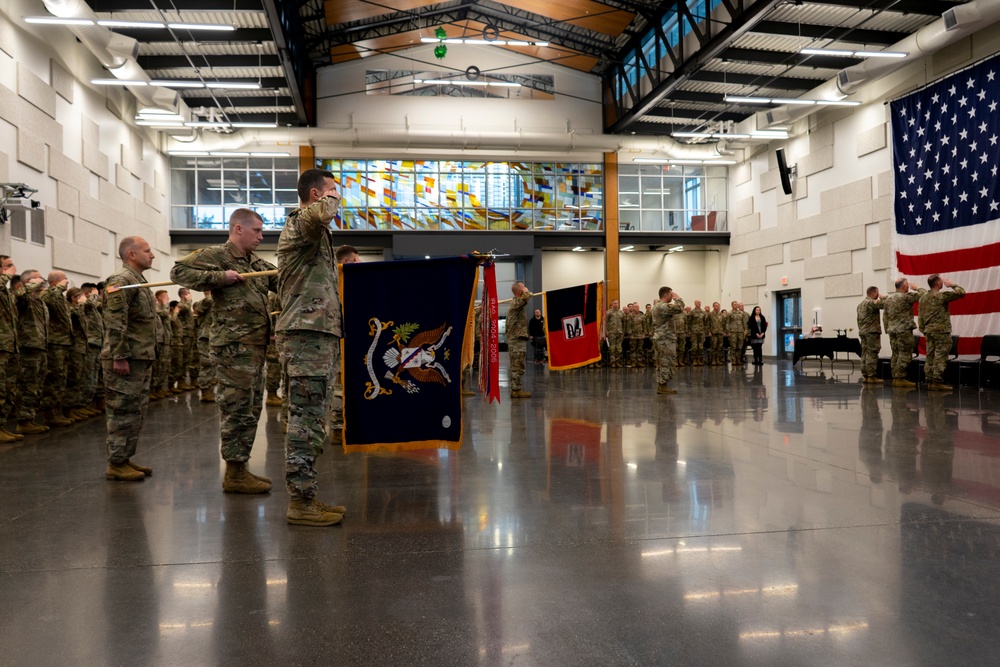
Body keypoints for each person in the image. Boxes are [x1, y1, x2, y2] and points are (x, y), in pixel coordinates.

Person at [172, 208, 279, 494]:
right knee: (236, 409)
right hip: (233, 347)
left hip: (255, 346)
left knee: (252, 408)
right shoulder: (217, 254)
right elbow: (178, 271)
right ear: (238, 229)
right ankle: (233, 473)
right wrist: (220, 277)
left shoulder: (255, 262)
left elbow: (280, 279)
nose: (261, 235)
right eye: (257, 230)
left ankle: (240, 468)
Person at [276, 168, 349, 526]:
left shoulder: (316, 232)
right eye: (333, 190)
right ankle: (300, 502)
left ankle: (308, 495)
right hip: (305, 335)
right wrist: (331, 196)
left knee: (314, 418)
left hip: (317, 335)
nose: (339, 196)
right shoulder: (301, 222)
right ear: (317, 194)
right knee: (305, 420)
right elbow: (320, 213)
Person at [102, 236, 157, 481]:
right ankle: (116, 463)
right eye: (147, 251)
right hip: (126, 358)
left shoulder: (137, 281)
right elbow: (115, 321)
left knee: (134, 411)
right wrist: (120, 356)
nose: (152, 255)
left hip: (139, 357)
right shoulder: (121, 281)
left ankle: (123, 458)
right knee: (122, 411)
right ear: (132, 254)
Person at [14, 270, 50, 435]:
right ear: (27, 281)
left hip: (40, 346)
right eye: (37, 277)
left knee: (36, 383)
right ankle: (23, 420)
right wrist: (28, 286)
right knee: (27, 383)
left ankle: (30, 417)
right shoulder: (24, 297)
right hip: (28, 346)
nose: (41, 279)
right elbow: (19, 296)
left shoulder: (39, 300)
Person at [918, 274, 965, 391]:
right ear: (938, 283)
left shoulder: (922, 298)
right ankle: (937, 382)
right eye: (942, 281)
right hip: (941, 332)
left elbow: (920, 316)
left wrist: (924, 330)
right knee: (940, 356)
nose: (943, 283)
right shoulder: (941, 296)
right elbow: (962, 293)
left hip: (929, 331)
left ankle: (929, 380)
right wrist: (952, 285)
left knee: (930, 356)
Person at [41, 271, 75, 427]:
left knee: (61, 378)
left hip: (64, 343)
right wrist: (55, 288)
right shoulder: (50, 295)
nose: (67, 282)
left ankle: (58, 411)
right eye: (64, 279)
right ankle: (50, 413)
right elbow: (50, 298)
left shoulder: (61, 298)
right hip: (55, 344)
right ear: (54, 283)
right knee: (54, 378)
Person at [882, 278, 925, 387]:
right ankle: (900, 377)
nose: (908, 287)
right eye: (907, 285)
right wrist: (917, 288)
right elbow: (924, 295)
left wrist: (887, 329)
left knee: (895, 353)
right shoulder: (906, 297)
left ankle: (896, 377)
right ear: (903, 286)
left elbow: (885, 317)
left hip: (892, 331)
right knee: (905, 353)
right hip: (903, 330)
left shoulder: (888, 299)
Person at [0, 256, 21, 442]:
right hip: (1, 346)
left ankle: (2, 425)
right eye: (8, 266)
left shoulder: (6, 293)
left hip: (10, 345)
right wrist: (6, 276)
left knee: (8, 388)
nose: (13, 269)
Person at [651, 286, 685, 394]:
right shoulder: (662, 307)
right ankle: (662, 385)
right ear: (665, 295)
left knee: (662, 362)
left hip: (662, 338)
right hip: (664, 339)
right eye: (671, 294)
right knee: (666, 362)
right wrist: (678, 298)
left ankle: (662, 385)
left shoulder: (658, 306)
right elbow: (680, 308)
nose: (673, 295)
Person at [506, 281, 532, 397]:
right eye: (523, 287)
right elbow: (526, 297)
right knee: (517, 365)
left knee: (518, 364)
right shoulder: (516, 302)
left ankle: (516, 389)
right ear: (519, 290)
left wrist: (525, 292)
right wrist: (526, 292)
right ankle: (516, 390)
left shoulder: (517, 303)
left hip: (517, 338)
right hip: (516, 339)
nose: (525, 288)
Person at [857, 286, 886, 384]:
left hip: (863, 331)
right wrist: (882, 297)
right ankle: (871, 376)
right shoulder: (871, 303)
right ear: (874, 293)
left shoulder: (860, 305)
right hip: (871, 332)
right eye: (877, 293)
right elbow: (885, 304)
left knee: (864, 352)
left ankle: (865, 375)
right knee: (872, 352)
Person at [687, 300, 707, 366]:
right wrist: (689, 330)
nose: (699, 304)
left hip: (701, 331)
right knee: (694, 346)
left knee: (701, 347)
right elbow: (689, 322)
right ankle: (694, 360)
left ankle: (700, 359)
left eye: (700, 303)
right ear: (695, 303)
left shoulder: (703, 312)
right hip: (694, 331)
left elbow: (705, 322)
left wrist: (705, 330)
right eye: (698, 303)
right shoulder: (692, 312)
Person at [605, 300, 624, 368]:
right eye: (614, 303)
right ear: (612, 304)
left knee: (619, 348)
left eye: (617, 303)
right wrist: (606, 331)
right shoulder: (609, 312)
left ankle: (618, 361)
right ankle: (613, 362)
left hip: (619, 332)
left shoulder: (621, 312)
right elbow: (606, 322)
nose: (616, 304)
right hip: (612, 332)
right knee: (612, 348)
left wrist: (623, 331)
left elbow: (623, 322)